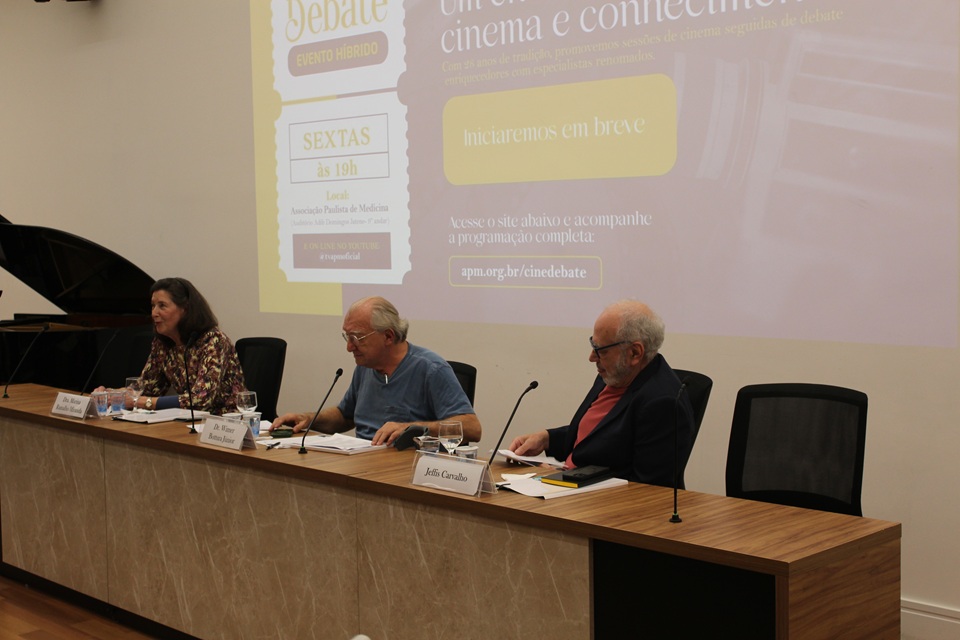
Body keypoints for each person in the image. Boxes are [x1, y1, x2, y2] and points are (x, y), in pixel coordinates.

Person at [509, 300, 695, 487]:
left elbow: (647, 489)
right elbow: (600, 436)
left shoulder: (663, 403)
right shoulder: (614, 376)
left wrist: (565, 479)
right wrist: (546, 439)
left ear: (634, 353)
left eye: (601, 351)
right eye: (593, 345)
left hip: (599, 500)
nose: (591, 357)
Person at [271, 296, 481, 446]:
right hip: (364, 464)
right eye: (347, 337)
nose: (349, 347)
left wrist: (412, 428)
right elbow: (345, 416)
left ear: (388, 336)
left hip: (405, 470)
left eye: (357, 338)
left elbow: (472, 428)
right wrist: (308, 419)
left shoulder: (430, 369)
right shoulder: (365, 367)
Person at [127, 277, 245, 415]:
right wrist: (112, 395)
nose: (154, 313)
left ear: (185, 309)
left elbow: (200, 400)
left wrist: (142, 402)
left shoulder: (213, 340)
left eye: (162, 306)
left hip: (225, 422)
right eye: (153, 306)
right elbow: (146, 388)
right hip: (188, 421)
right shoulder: (163, 343)